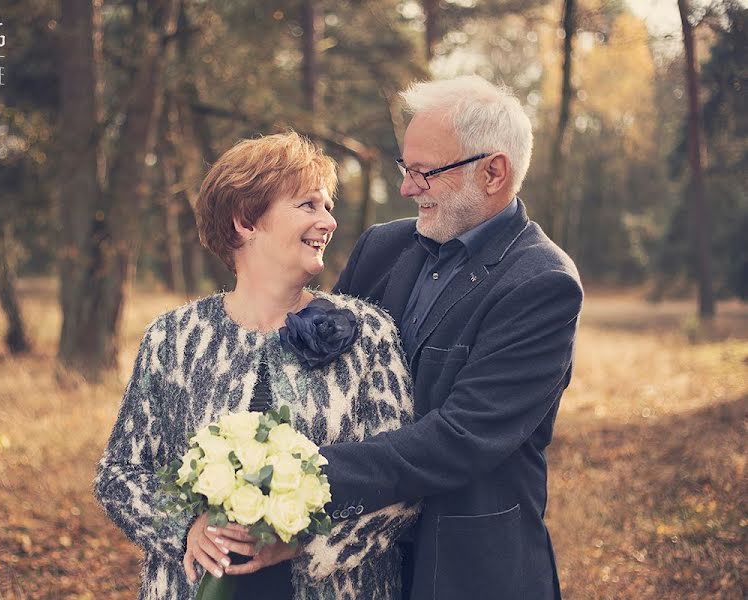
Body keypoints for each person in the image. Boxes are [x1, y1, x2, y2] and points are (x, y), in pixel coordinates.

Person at [93, 132, 419, 600]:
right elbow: (121, 471)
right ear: (246, 220)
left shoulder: (367, 334)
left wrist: (302, 540)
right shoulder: (175, 337)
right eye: (308, 205)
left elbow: (402, 484)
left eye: (328, 206)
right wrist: (188, 526)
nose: (329, 220)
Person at [315, 76, 584, 599]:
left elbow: (461, 437)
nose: (406, 188)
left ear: (493, 172)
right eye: (405, 168)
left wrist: (307, 475)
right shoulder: (381, 247)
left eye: (423, 172)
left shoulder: (541, 283)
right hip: (356, 564)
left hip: (464, 568)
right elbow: (322, 378)